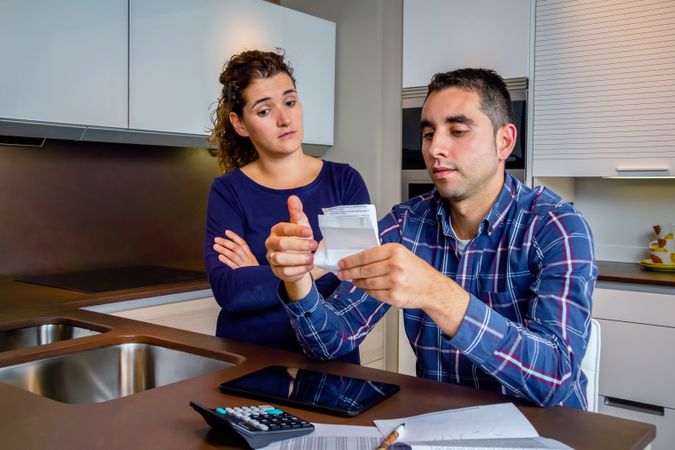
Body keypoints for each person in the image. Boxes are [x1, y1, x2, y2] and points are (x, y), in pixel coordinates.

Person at [265, 68, 598, 408]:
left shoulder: (556, 226)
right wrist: (298, 281)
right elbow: (330, 343)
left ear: (505, 141)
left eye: (457, 131)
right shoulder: (406, 223)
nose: (435, 147)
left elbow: (555, 379)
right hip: (440, 427)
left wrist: (436, 292)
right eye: (428, 134)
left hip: (541, 433)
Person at [204, 49, 369, 363]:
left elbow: (359, 278)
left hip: (333, 363)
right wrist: (324, 260)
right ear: (240, 124)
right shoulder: (227, 191)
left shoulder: (345, 181)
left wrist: (262, 272)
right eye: (264, 111)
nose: (284, 119)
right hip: (247, 363)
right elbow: (231, 292)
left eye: (290, 102)